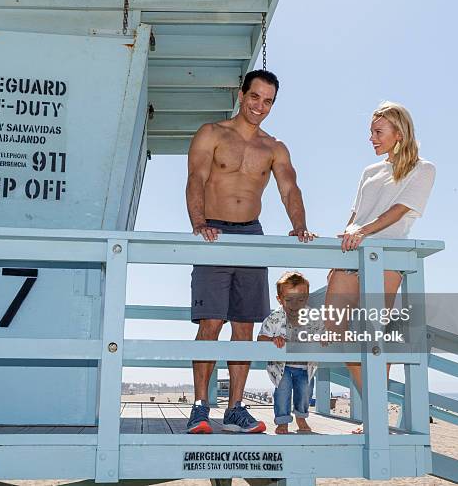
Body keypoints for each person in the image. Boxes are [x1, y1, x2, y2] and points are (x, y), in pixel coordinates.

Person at [185, 70, 316, 434]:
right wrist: (199, 224)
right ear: (242, 94)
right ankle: (199, 407)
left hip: (252, 236)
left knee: (244, 326)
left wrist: (300, 225)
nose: (261, 106)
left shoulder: (273, 147)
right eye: (255, 97)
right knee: (211, 322)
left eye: (268, 101)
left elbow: (290, 189)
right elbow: (195, 179)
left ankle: (236, 408)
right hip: (214, 231)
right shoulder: (211, 134)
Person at [324, 101, 435, 432]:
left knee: (373, 340)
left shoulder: (423, 169)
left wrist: (362, 232)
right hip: (351, 256)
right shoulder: (369, 171)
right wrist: (338, 256)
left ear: (399, 133)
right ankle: (377, 407)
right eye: (371, 131)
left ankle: (375, 416)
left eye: (378, 132)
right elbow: (354, 217)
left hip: (386, 260)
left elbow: (399, 210)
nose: (371, 138)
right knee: (332, 333)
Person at [258, 272, 324, 434]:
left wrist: (323, 339)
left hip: (305, 365)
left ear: (307, 298)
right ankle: (282, 421)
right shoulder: (274, 319)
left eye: (301, 299)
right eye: (289, 300)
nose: (295, 305)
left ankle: (301, 417)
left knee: (305, 391)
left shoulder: (313, 317)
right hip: (282, 367)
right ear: (280, 299)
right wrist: (273, 340)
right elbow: (261, 339)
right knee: (282, 392)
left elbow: (323, 334)